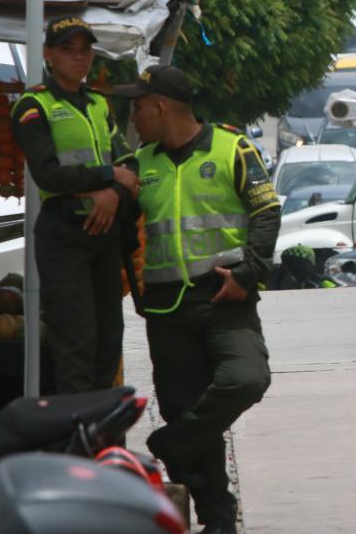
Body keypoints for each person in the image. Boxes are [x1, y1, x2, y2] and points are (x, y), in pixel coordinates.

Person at [116, 65, 280, 534]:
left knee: (246, 378)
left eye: (139, 106)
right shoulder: (139, 164)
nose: (135, 115)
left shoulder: (233, 147)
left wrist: (248, 274)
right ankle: (218, 517)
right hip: (167, 308)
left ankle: (171, 443)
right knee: (183, 406)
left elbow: (267, 211)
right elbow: (123, 233)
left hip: (226, 295)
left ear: (161, 106)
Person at [11, 16, 138, 395]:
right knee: (76, 348)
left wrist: (113, 194)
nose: (79, 58)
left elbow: (130, 164)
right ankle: (77, 443)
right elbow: (48, 175)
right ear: (48, 54)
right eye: (68, 49)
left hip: (104, 234)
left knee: (107, 343)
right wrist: (107, 177)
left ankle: (102, 441)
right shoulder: (33, 106)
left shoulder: (98, 103)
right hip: (64, 236)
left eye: (85, 50)